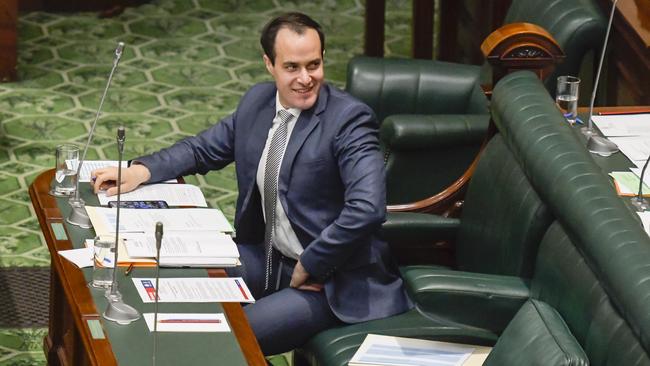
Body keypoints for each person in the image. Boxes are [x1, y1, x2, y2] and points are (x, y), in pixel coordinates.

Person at [91, 12, 412, 355]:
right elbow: (203, 149)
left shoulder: (349, 120)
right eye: (292, 67)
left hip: (332, 281)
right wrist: (141, 171)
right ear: (269, 65)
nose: (306, 78)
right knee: (167, 282)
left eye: (314, 65)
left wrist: (314, 261)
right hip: (269, 258)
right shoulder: (257, 103)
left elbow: (367, 208)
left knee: (224, 339)